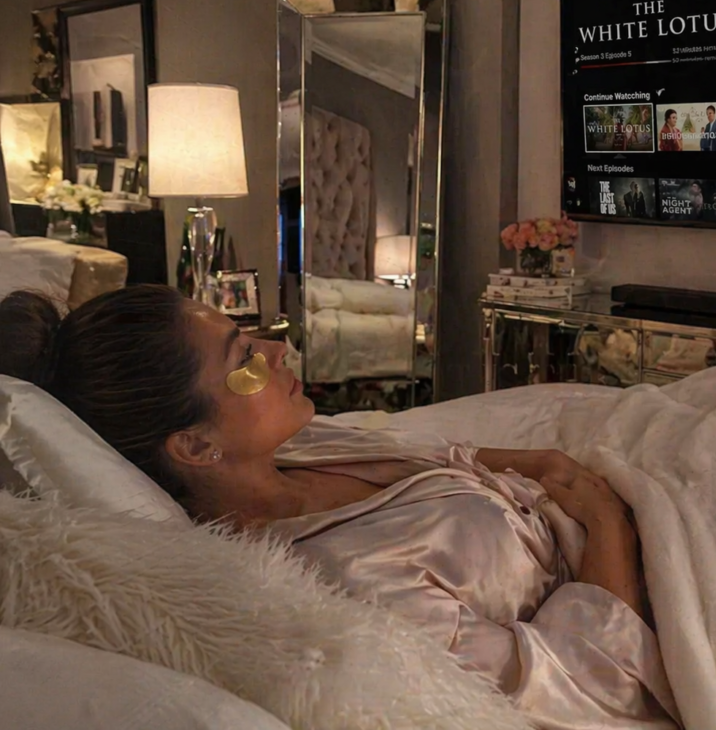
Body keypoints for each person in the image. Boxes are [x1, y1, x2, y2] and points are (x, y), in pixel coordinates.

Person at [0, 286, 679, 730]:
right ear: (196, 444)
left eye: (255, 335)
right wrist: (609, 521)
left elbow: (449, 457)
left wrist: (545, 464)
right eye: (246, 359)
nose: (276, 350)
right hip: (652, 578)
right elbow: (595, 685)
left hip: (621, 495)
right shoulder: (346, 578)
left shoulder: (301, 448)